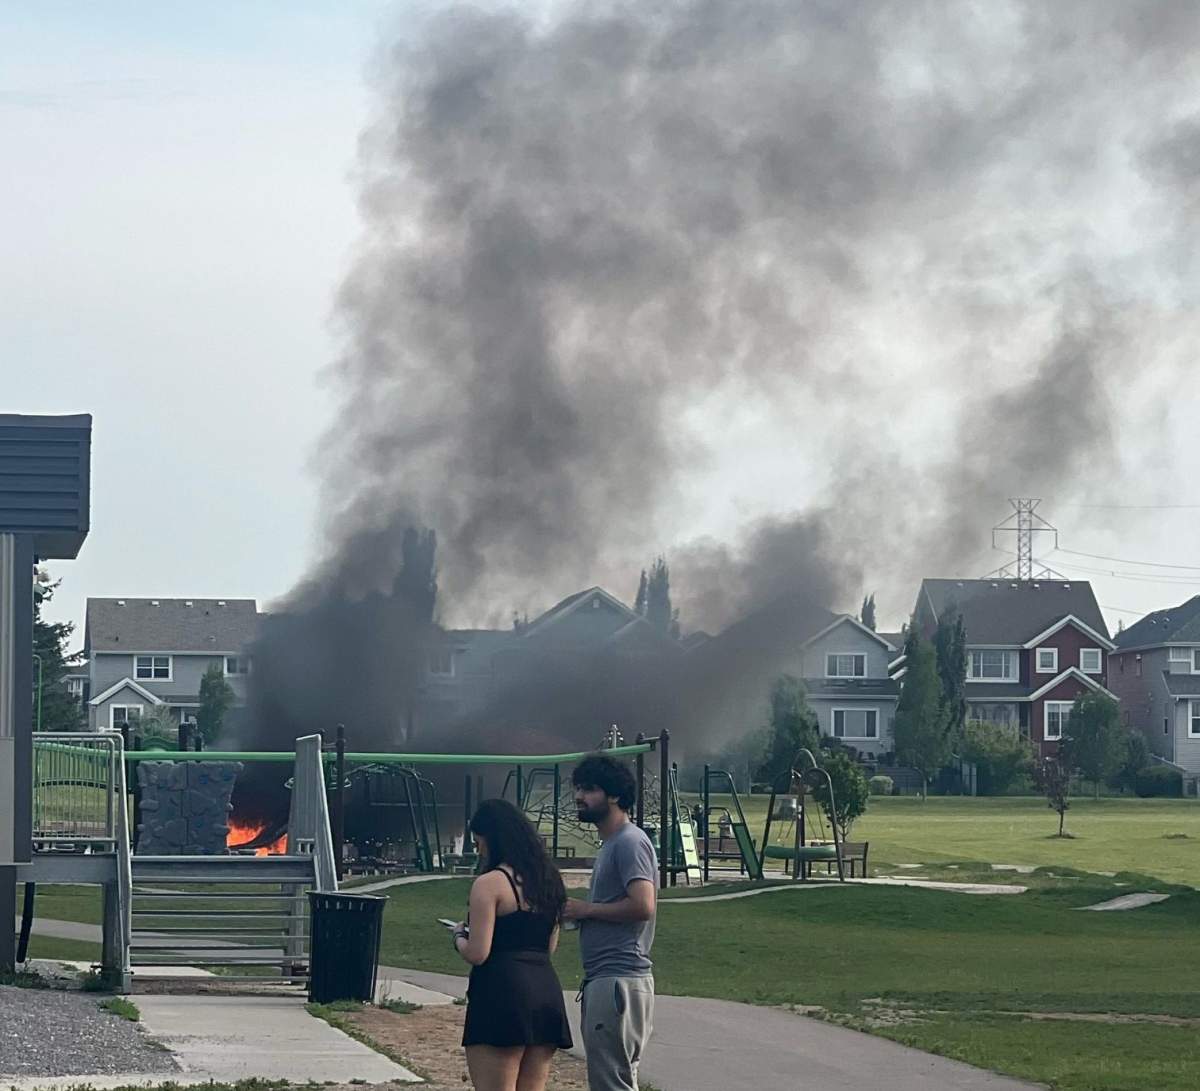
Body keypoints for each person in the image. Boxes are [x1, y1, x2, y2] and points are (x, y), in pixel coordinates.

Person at [452, 798, 573, 1091]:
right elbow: (550, 946)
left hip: (502, 994)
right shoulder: (549, 881)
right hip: (545, 992)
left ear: (492, 839)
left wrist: (458, 937)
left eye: (478, 841)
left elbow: (479, 953)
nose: (478, 849)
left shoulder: (490, 883)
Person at [563, 753, 657, 1091]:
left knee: (610, 1085)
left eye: (589, 789)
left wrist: (585, 910)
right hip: (610, 979)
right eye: (578, 789)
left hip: (618, 979)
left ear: (614, 795)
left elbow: (642, 905)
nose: (579, 797)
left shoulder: (629, 842)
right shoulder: (611, 844)